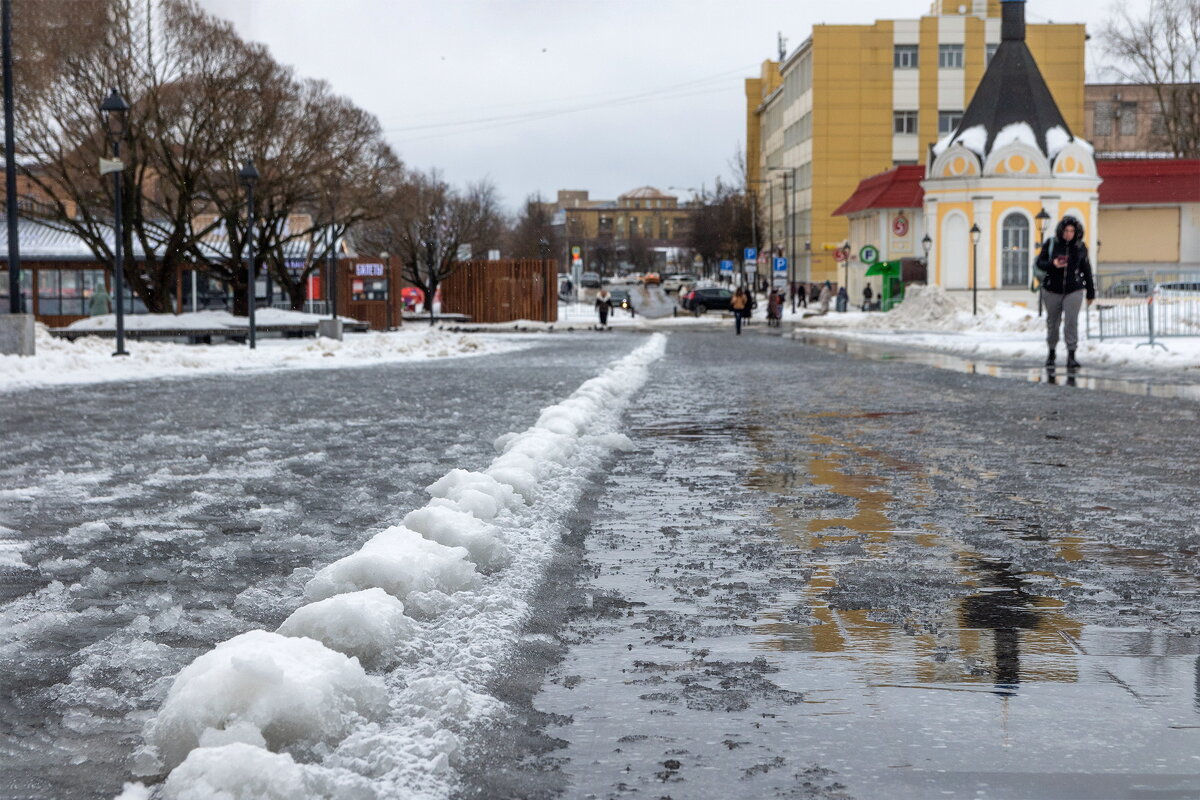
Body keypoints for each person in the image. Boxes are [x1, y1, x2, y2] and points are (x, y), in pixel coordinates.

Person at [1035, 214, 1095, 370]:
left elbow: (1086, 269)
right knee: (1053, 323)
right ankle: (1051, 353)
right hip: (1052, 289)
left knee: (1071, 323)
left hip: (1073, 289)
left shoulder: (1080, 247)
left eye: (1072, 231)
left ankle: (1071, 355)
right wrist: (1053, 263)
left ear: (1076, 232)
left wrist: (1090, 292)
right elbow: (1040, 263)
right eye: (1066, 231)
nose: (1068, 234)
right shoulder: (1051, 244)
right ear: (1061, 231)